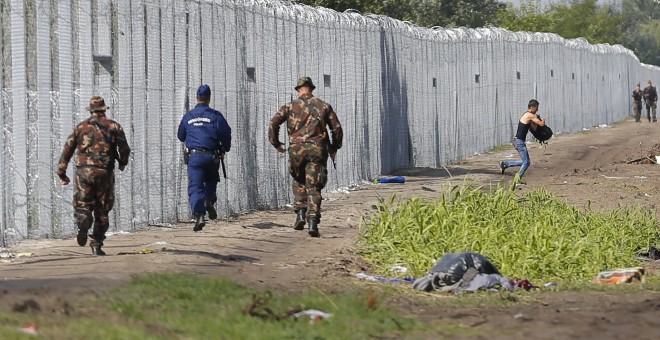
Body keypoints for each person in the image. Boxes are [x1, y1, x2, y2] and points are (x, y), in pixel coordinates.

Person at [269, 76, 343, 237]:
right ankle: (312, 221)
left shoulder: (289, 106)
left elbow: (273, 122)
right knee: (314, 186)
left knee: (299, 179)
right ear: (312, 89)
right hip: (317, 149)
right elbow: (336, 128)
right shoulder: (323, 106)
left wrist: (276, 144)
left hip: (296, 149)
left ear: (298, 89)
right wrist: (334, 147)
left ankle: (300, 213)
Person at [57, 96, 131, 256]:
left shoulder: (80, 127)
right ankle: (96, 244)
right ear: (104, 109)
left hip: (84, 171)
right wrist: (122, 162)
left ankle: (83, 217)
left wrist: (61, 172)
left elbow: (67, 150)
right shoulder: (114, 126)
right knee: (102, 208)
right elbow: (124, 148)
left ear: (91, 111)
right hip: (104, 171)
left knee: (83, 202)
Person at [177, 84, 232, 232]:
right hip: (211, 156)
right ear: (209, 98)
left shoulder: (188, 116)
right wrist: (225, 148)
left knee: (195, 186)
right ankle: (209, 200)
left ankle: (199, 215)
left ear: (197, 98)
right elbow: (226, 132)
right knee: (211, 179)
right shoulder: (215, 115)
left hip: (194, 157)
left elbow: (181, 136)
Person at [499, 99, 545, 185]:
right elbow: (541, 124)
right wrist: (542, 120)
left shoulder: (527, 116)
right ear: (532, 107)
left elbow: (534, 128)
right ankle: (517, 180)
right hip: (519, 142)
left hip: (519, 141)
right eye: (536, 108)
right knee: (526, 162)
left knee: (526, 161)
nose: (537, 110)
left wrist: (536, 121)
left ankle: (505, 164)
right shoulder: (529, 115)